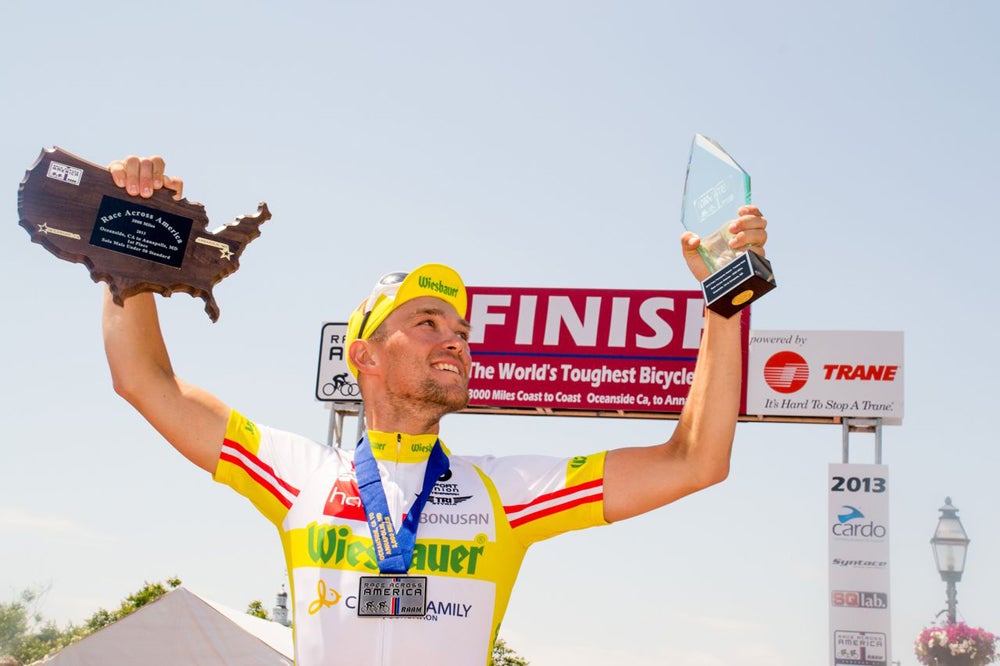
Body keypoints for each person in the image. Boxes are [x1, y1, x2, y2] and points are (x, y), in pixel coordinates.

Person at [103, 155, 768, 665]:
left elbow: (695, 461)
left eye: (461, 328)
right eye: (427, 321)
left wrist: (721, 303)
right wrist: (133, 238)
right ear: (366, 356)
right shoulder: (298, 474)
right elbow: (146, 381)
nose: (455, 336)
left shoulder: (506, 492)